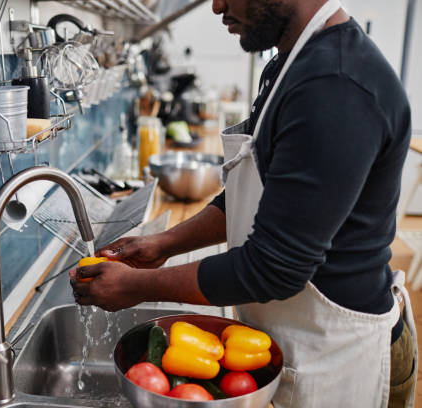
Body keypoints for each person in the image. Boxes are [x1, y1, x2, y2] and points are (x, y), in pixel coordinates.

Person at [70, 0, 417, 406]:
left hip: (340, 357)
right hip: (300, 341)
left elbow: (274, 268)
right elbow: (251, 194)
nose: (216, 6)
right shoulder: (290, 65)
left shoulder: (335, 84)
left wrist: (137, 287)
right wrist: (164, 245)